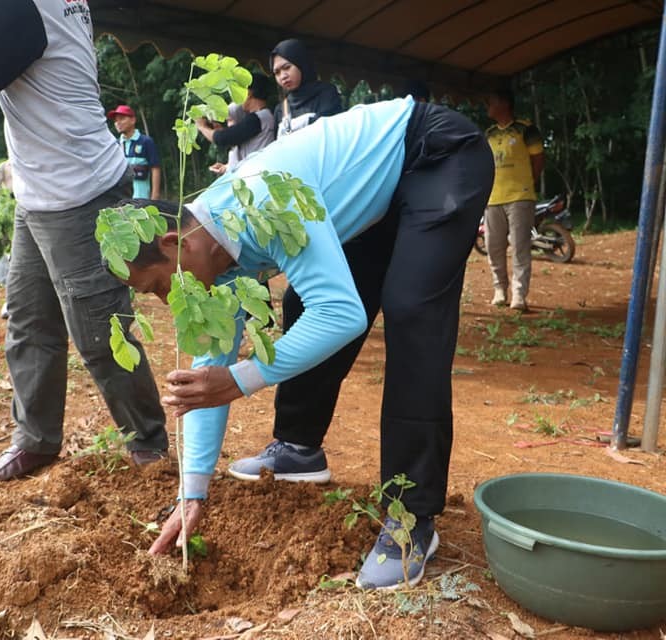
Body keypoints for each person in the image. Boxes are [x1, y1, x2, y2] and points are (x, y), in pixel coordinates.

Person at [116, 97, 494, 590]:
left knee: (411, 311)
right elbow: (209, 365)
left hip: (435, 154)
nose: (167, 302)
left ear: (173, 244)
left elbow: (341, 316)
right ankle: (299, 448)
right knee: (301, 306)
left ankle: (410, 518)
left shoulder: (264, 201)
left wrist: (240, 380)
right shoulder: (211, 246)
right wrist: (194, 490)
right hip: (378, 198)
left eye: (159, 287)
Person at [0, 0, 169, 480]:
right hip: (38, 195)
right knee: (30, 319)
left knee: (100, 331)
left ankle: (149, 445)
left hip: (79, 193)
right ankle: (35, 440)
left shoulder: (18, 6)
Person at [484, 88, 545, 312]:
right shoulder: (488, 134)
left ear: (504, 103)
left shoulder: (526, 129)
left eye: (491, 101)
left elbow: (538, 159)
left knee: (520, 246)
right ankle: (500, 289)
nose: (487, 105)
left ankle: (519, 294)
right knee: (493, 247)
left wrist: (528, 182)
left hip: (520, 196)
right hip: (493, 198)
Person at [196, 73, 275, 174]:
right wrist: (227, 166)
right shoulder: (263, 116)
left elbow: (221, 138)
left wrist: (202, 127)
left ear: (248, 93)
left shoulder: (256, 119)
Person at [270, 39, 342, 138]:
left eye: (287, 67)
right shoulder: (281, 109)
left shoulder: (326, 93)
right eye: (277, 72)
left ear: (302, 64)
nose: (283, 76)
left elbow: (332, 131)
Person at [108, 105, 162, 200]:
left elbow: (155, 168)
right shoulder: (115, 145)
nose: (118, 123)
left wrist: (155, 197)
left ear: (133, 120)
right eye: (116, 120)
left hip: (141, 199)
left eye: (122, 119)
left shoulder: (146, 141)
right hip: (121, 201)